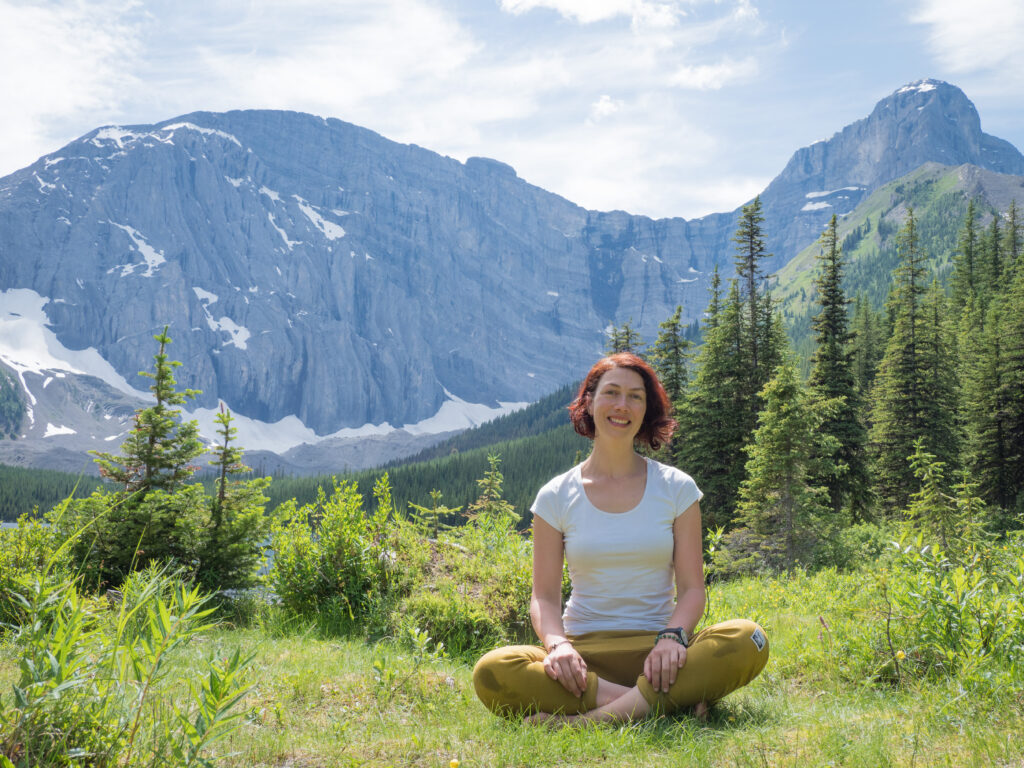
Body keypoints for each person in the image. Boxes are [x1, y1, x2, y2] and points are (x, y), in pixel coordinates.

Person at [472, 352, 768, 725]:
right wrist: (558, 645)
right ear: (589, 402)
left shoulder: (677, 488)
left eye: (635, 397)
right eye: (611, 392)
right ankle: (661, 705)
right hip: (584, 658)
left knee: (750, 638)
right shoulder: (555, 496)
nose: (622, 406)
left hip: (662, 654)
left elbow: (693, 589)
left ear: (647, 411)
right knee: (492, 670)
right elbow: (544, 597)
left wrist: (673, 638)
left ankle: (585, 723)